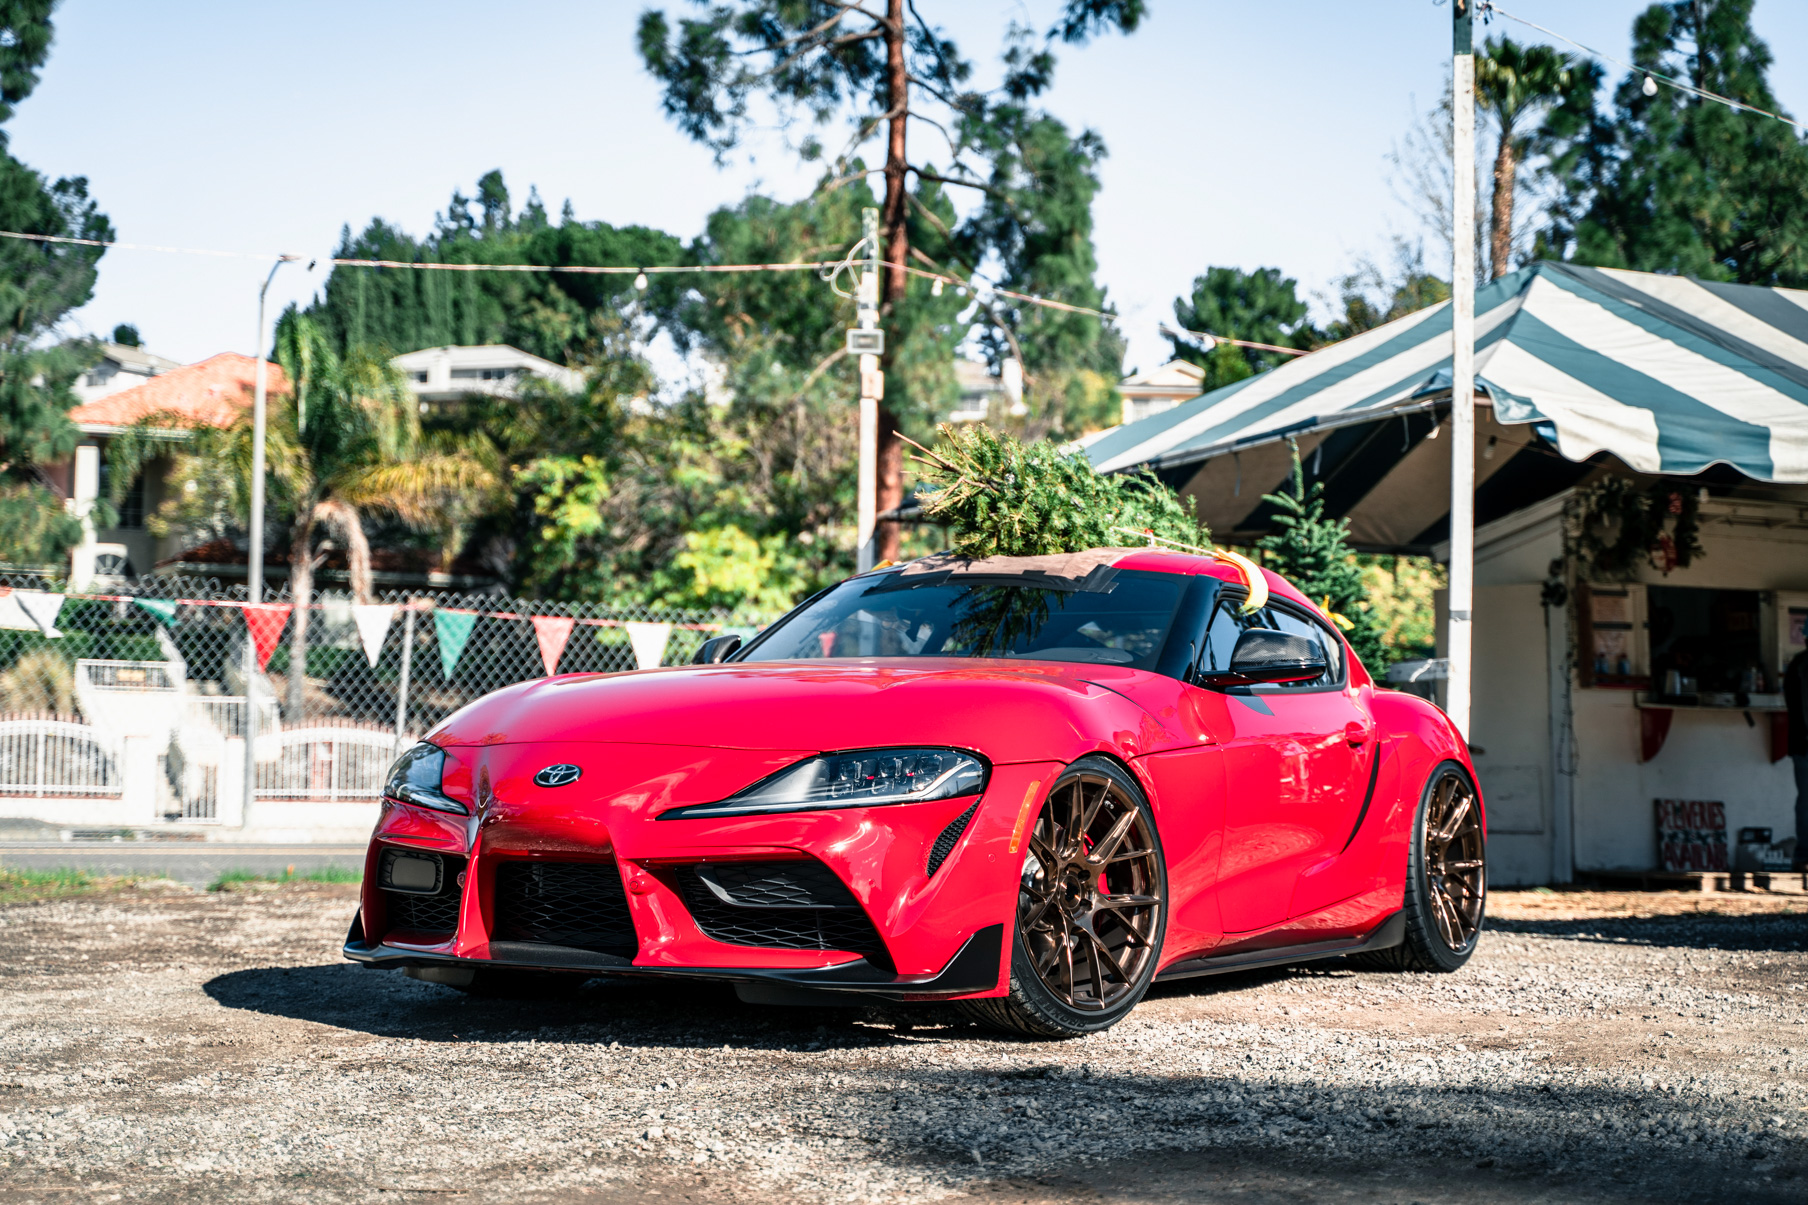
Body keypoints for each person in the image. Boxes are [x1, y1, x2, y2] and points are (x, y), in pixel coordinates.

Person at [1787, 647, 1808, 872]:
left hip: (1801, 743)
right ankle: (1804, 855)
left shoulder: (1798, 663)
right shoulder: (1804, 666)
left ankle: (1803, 855)